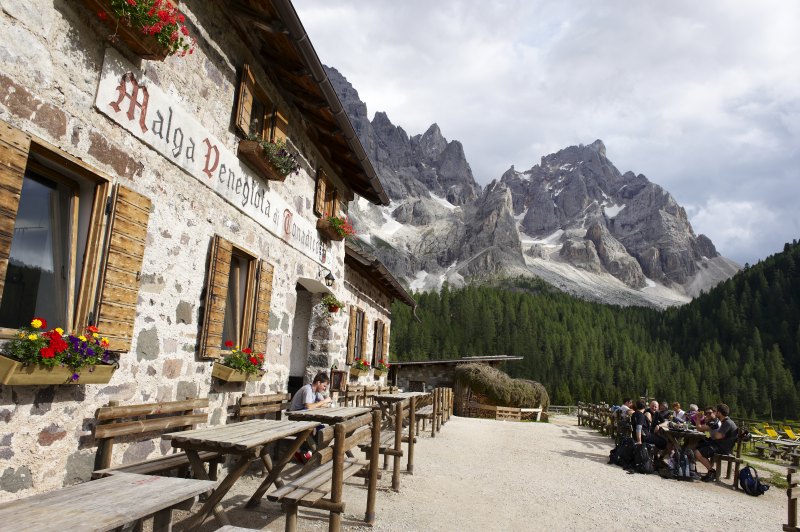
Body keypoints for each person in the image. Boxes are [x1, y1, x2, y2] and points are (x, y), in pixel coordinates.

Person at [289, 372, 331, 462]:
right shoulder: (308, 389)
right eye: (324, 386)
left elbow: (324, 404)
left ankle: (309, 451)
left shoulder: (316, 392)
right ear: (318, 383)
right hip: (295, 417)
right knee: (318, 428)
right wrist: (323, 402)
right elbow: (309, 406)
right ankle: (309, 452)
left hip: (304, 416)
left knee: (322, 428)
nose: (325, 389)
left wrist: (323, 403)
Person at [694, 403, 738, 482]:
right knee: (697, 446)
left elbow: (717, 436)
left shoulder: (727, 423)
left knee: (698, 452)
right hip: (719, 444)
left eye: (716, 411)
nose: (715, 413)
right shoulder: (725, 421)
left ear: (719, 413)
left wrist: (720, 435)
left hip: (722, 448)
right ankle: (708, 470)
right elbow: (719, 435)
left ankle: (712, 472)